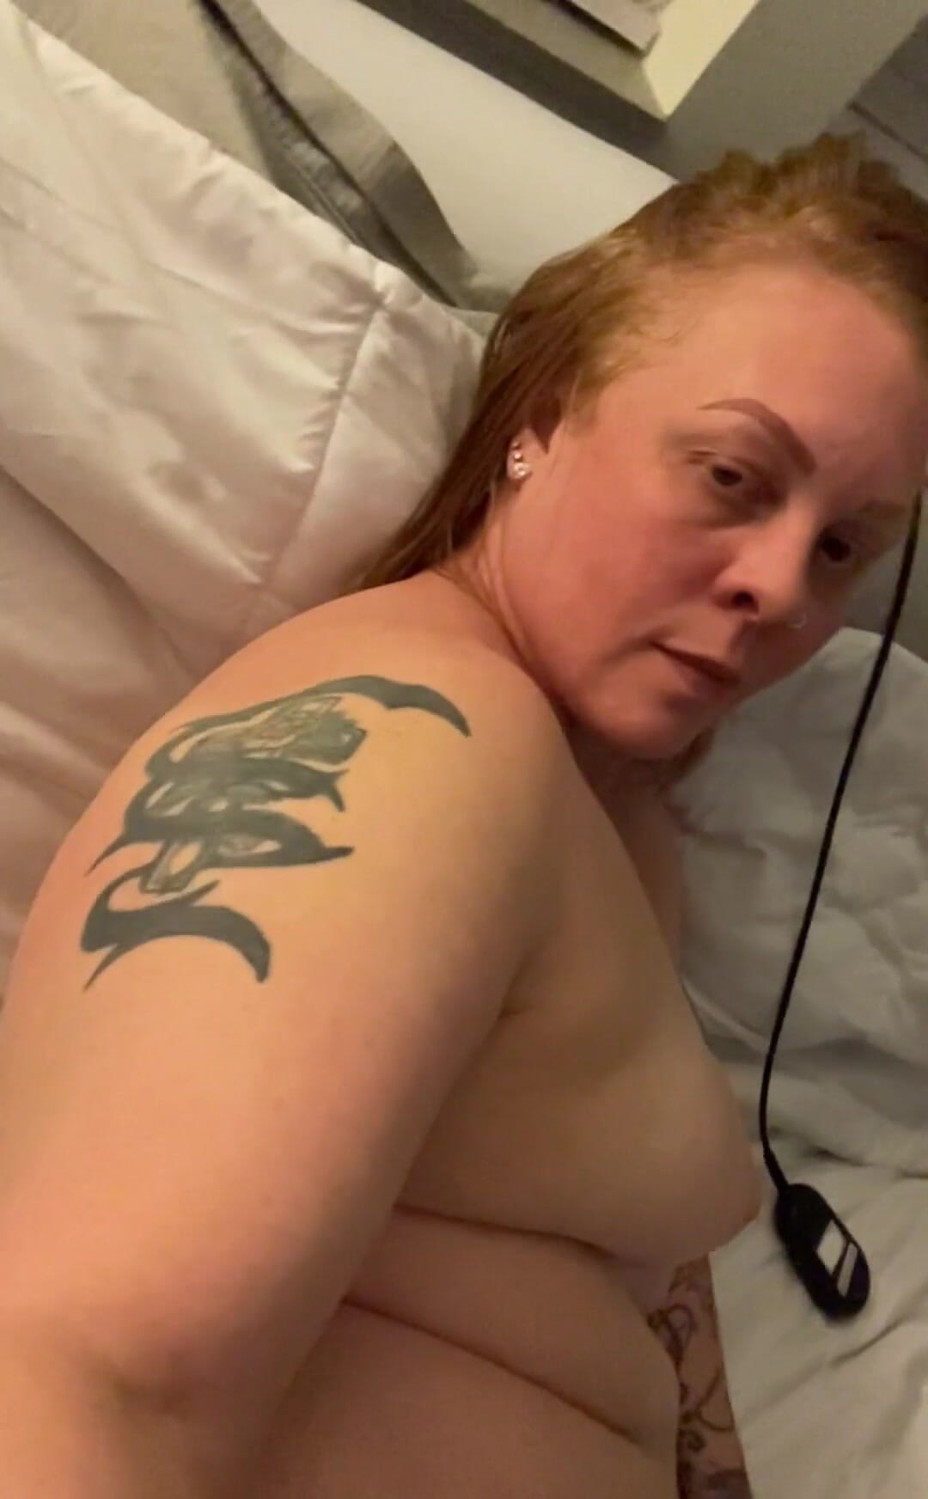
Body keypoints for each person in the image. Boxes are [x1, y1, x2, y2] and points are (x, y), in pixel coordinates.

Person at [1, 132, 927, 1499]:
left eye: (843, 546)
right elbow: (83, 1381)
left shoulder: (609, 808)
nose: (784, 588)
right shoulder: (412, 746)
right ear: (541, 418)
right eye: (733, 476)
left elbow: (641, 1279)